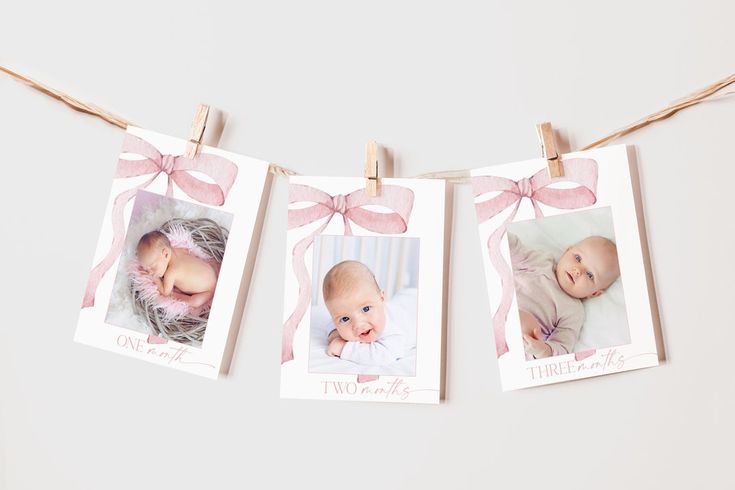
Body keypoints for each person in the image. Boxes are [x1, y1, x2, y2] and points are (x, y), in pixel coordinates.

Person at [509, 233, 621, 358]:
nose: (578, 271)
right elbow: (515, 250)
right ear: (567, 251)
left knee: (525, 325)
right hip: (499, 305)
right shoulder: (541, 262)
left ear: (594, 293)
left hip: (520, 341)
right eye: (578, 258)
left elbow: (562, 347)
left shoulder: (573, 312)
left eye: (590, 275)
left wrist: (543, 350)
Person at [322, 260, 407, 366]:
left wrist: (343, 348)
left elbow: (382, 356)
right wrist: (334, 335)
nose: (358, 324)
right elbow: (331, 325)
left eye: (366, 309)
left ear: (381, 298)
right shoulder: (347, 316)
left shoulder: (392, 329)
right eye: (345, 319)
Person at [136, 230, 217, 308]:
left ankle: (177, 295)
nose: (150, 272)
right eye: (147, 269)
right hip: (210, 271)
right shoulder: (177, 250)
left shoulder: (171, 273)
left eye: (153, 267)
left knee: (194, 302)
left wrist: (155, 278)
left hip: (208, 290)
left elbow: (165, 292)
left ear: (166, 254)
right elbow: (186, 251)